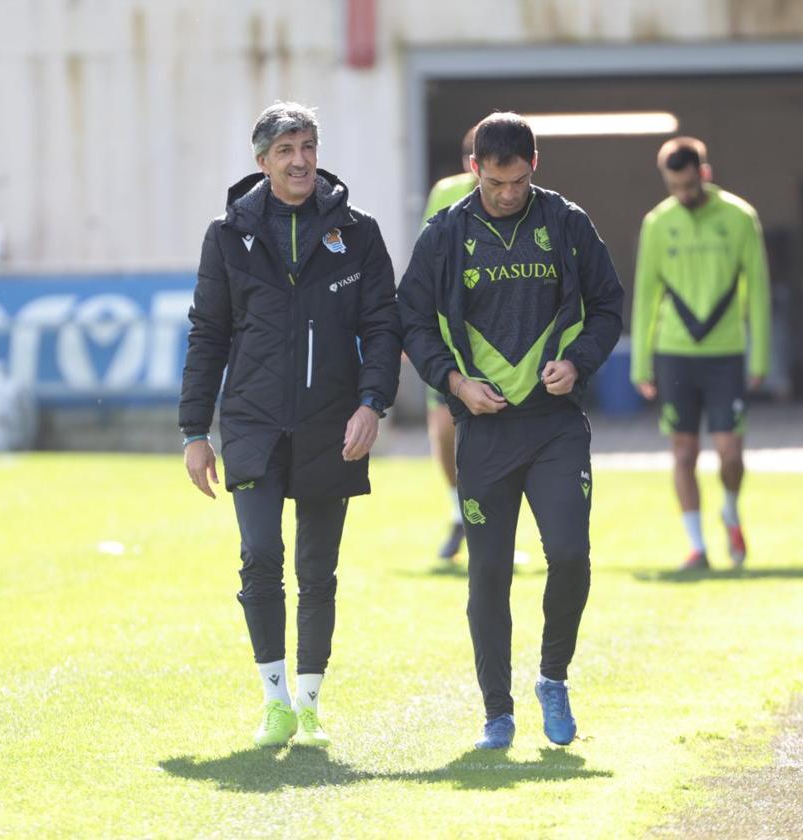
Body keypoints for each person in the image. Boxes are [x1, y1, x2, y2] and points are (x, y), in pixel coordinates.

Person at [178, 102, 401, 748]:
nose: (300, 160)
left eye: (307, 146)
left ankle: (310, 704)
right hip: (250, 422)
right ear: (262, 163)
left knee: (318, 569)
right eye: (286, 150)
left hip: (334, 421)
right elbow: (208, 333)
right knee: (260, 555)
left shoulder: (358, 233)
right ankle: (273, 702)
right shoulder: (227, 235)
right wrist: (196, 430)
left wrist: (372, 403)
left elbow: (382, 327)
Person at [398, 112, 624, 749]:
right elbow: (410, 318)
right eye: (495, 182)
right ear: (475, 169)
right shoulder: (446, 233)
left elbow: (609, 304)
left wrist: (579, 361)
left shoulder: (566, 223)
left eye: (517, 181)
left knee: (571, 557)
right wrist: (454, 383)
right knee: (488, 575)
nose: (506, 194)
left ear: (535, 166)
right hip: (484, 430)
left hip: (554, 426)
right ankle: (497, 712)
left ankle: (553, 677)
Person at [629, 137, 770, 572]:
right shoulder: (657, 223)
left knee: (730, 453)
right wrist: (641, 361)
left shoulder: (740, 217)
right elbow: (646, 294)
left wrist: (759, 358)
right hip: (674, 353)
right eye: (674, 187)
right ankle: (696, 546)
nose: (683, 195)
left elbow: (759, 291)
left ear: (703, 174)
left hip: (725, 353)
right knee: (684, 453)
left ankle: (729, 509)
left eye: (689, 185)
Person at [421, 125, 479, 561]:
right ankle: (459, 512)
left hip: (499, 338)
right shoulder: (445, 194)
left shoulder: (526, 201)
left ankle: (490, 525)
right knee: (444, 430)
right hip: (445, 332)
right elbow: (425, 259)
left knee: (490, 437)